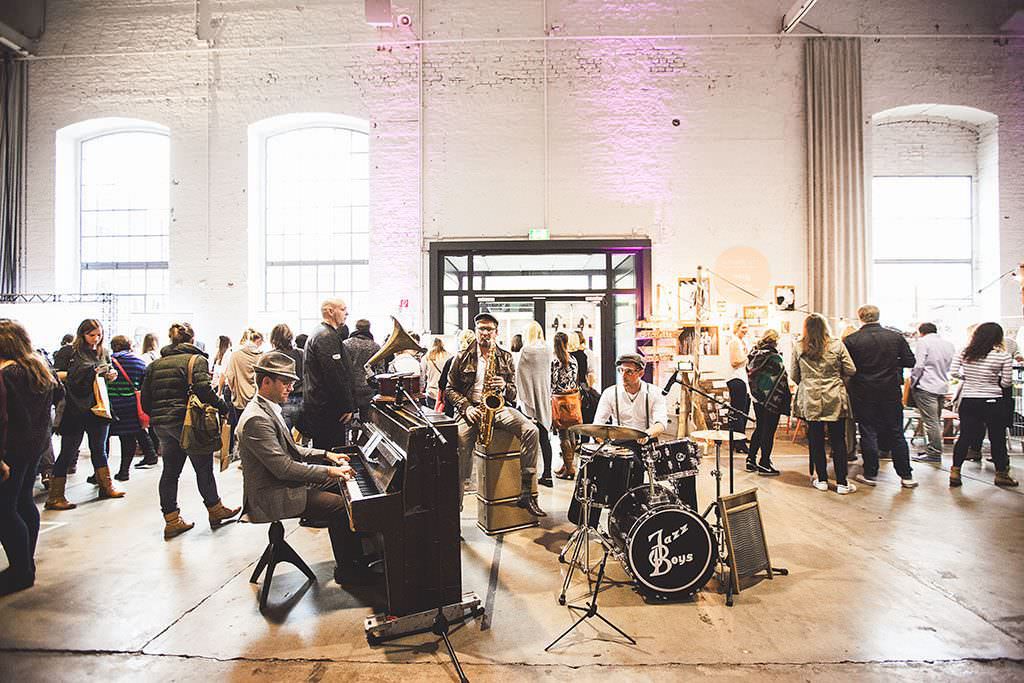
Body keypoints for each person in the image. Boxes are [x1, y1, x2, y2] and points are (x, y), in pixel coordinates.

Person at [237, 351, 370, 584]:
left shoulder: (268, 408)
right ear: (266, 381)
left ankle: (360, 555)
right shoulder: (256, 419)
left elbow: (294, 450)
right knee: (342, 508)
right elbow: (284, 469)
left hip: (281, 483)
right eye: (286, 383)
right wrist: (329, 470)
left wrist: (328, 455)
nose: (290, 388)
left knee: (344, 486)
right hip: (272, 494)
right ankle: (349, 572)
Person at [141, 322, 239, 539]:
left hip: (162, 424)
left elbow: (146, 399)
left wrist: (159, 414)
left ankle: (172, 520)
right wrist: (224, 407)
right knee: (203, 467)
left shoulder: (155, 364)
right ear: (192, 340)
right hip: (188, 422)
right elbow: (204, 389)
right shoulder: (196, 360)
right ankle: (215, 509)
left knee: (170, 471)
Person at [445, 313, 546, 516]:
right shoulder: (462, 356)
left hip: (497, 408)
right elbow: (449, 389)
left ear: (496, 332)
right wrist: (466, 407)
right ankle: (454, 512)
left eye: (489, 329)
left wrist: (504, 387)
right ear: (476, 331)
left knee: (531, 430)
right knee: (460, 455)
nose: (485, 333)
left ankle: (526, 493)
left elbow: (513, 392)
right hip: (471, 410)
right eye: (481, 328)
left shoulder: (505, 356)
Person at [0, 319, 62, 596]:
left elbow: (1, 420)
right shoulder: (39, 368)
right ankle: (26, 563)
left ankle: (20, 571)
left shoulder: (6, 374)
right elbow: (61, 396)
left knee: (4, 510)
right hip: (34, 446)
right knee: (23, 502)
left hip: (10, 450)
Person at [46, 319, 124, 510]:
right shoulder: (68, 352)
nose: (96, 339)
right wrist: (87, 371)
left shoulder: (103, 351)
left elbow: (107, 372)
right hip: (74, 406)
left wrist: (110, 374)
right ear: (82, 334)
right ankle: (55, 496)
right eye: (91, 335)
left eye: (99, 335)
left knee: (99, 448)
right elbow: (57, 375)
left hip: (98, 405)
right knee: (68, 450)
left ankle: (106, 486)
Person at [844, 305, 917, 489]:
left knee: (868, 431)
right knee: (896, 432)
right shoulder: (895, 337)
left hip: (863, 391)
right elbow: (910, 361)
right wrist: (892, 363)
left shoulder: (852, 340)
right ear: (878, 316)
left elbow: (847, 367)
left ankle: (870, 473)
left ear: (860, 317)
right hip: (890, 391)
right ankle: (906, 475)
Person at [792, 314, 858, 494]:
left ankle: (821, 479)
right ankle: (843, 482)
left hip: (811, 396)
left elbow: (794, 375)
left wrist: (808, 380)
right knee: (838, 440)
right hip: (834, 395)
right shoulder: (837, 344)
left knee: (815, 439)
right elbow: (851, 369)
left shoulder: (799, 346)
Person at [949, 323, 1017, 488]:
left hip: (970, 400)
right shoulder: (1003, 356)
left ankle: (955, 471)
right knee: (997, 438)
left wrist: (970, 380)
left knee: (965, 436)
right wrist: (993, 380)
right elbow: (1007, 382)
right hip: (993, 401)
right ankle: (1001, 474)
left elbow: (954, 372)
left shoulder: (964, 352)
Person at [304, 299, 355, 448]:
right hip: (328, 411)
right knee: (331, 454)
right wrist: (347, 405)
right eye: (343, 309)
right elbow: (335, 375)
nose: (347, 313)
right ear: (330, 311)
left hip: (322, 407)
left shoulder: (321, 333)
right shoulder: (326, 336)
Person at [108, 335, 157, 481]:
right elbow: (144, 385)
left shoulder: (108, 361)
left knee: (103, 440)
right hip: (130, 405)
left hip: (110, 405)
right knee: (128, 439)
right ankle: (124, 471)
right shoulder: (139, 362)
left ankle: (100, 474)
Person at [593, 353, 668, 442]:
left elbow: (661, 423)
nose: (623, 376)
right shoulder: (609, 393)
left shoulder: (655, 393)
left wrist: (647, 434)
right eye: (621, 370)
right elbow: (597, 424)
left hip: (647, 441)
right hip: (620, 444)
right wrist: (604, 443)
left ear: (641, 373)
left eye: (629, 371)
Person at [745, 329, 790, 476]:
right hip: (772, 400)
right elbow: (782, 378)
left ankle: (751, 460)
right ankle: (764, 463)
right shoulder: (774, 358)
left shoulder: (753, 355)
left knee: (760, 427)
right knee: (768, 430)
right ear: (775, 341)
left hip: (757, 398)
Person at [910, 322, 955, 463]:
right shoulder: (948, 344)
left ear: (921, 332)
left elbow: (918, 365)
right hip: (942, 386)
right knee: (936, 420)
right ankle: (934, 450)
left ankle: (934, 452)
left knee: (930, 422)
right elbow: (950, 366)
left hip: (926, 385)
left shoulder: (923, 342)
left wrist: (913, 382)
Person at [515, 321, 554, 487]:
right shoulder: (548, 350)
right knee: (545, 438)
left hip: (529, 398)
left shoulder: (526, 350)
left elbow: (520, 375)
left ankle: (526, 476)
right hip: (544, 396)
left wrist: (522, 397)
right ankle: (548, 474)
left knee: (527, 437)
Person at [550, 332, 580, 481]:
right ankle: (567, 464)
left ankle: (569, 469)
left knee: (563, 435)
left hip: (560, 401)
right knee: (572, 433)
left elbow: (553, 383)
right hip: (573, 399)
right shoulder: (573, 359)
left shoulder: (556, 361)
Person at [342, 318, 380, 422]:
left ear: (356, 328)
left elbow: (342, 367)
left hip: (350, 387)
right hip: (368, 387)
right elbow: (380, 370)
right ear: (369, 328)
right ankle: (364, 438)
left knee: (348, 418)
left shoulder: (346, 344)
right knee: (367, 420)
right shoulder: (375, 346)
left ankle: (350, 437)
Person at [222, 327, 264, 417]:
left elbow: (230, 377)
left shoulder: (235, 355)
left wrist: (235, 391)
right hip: (258, 400)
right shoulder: (263, 357)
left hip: (240, 400)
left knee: (240, 427)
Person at [271, 324, 304, 431]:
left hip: (281, 399)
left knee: (283, 434)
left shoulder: (271, 357)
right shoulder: (301, 353)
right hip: (301, 398)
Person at [437, 330, 476, 418]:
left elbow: (442, 384)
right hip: (472, 406)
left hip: (452, 406)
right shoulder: (479, 361)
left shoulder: (451, 360)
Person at [726, 319, 752, 453]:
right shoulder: (734, 341)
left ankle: (739, 437)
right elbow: (735, 361)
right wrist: (749, 356)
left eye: (747, 328)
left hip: (743, 379)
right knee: (739, 412)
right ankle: (739, 442)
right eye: (743, 328)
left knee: (744, 410)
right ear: (737, 328)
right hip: (736, 379)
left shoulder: (743, 342)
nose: (745, 331)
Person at [423, 337, 452, 409]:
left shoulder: (427, 357)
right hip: (445, 392)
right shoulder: (449, 356)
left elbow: (422, 376)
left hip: (431, 392)